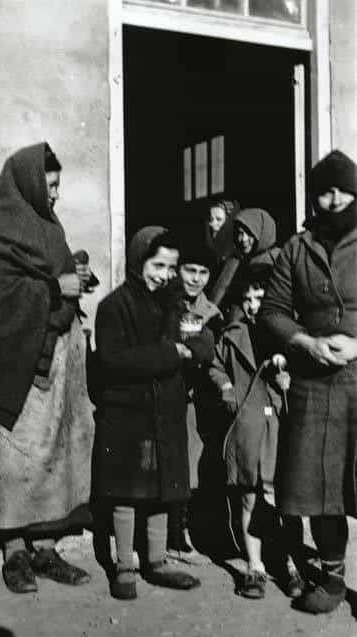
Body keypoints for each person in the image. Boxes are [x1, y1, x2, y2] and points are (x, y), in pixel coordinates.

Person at [0, 143, 95, 594]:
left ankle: (46, 546)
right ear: (27, 184)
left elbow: (49, 276)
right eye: (50, 185)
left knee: (51, 453)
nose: (55, 195)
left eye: (59, 186)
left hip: (54, 357)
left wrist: (70, 279)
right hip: (11, 361)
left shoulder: (49, 226)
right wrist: (54, 287)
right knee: (12, 453)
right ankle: (14, 551)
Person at [260, 149, 357, 614]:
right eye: (325, 190)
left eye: (342, 189)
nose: (334, 199)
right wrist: (307, 343)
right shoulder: (297, 248)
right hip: (316, 384)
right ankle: (333, 583)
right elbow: (271, 311)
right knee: (321, 487)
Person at [93, 227, 214, 600]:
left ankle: (157, 561)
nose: (164, 274)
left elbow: (202, 342)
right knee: (128, 490)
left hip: (167, 409)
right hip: (128, 412)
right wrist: (172, 354)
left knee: (164, 488)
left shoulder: (175, 304)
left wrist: (194, 347)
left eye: (171, 267)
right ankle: (126, 565)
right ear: (138, 261)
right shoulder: (113, 306)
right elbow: (113, 360)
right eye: (157, 265)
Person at [210, 280, 303, 600]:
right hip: (247, 422)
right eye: (247, 298)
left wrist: (287, 378)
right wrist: (225, 387)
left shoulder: (290, 334)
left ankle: (290, 564)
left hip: (280, 423)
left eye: (259, 297)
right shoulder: (233, 334)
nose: (252, 305)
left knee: (282, 498)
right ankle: (255, 566)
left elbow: (308, 372)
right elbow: (215, 365)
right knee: (249, 494)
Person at [166, 239, 221, 566]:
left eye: (203, 272)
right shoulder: (167, 303)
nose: (196, 278)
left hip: (196, 398)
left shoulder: (211, 310)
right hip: (168, 392)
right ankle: (169, 536)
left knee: (192, 467)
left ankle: (183, 534)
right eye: (190, 270)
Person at [208, 207, 279, 317]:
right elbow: (216, 300)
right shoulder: (234, 262)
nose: (243, 239)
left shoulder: (278, 259)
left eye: (250, 233)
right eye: (239, 233)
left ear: (262, 231)